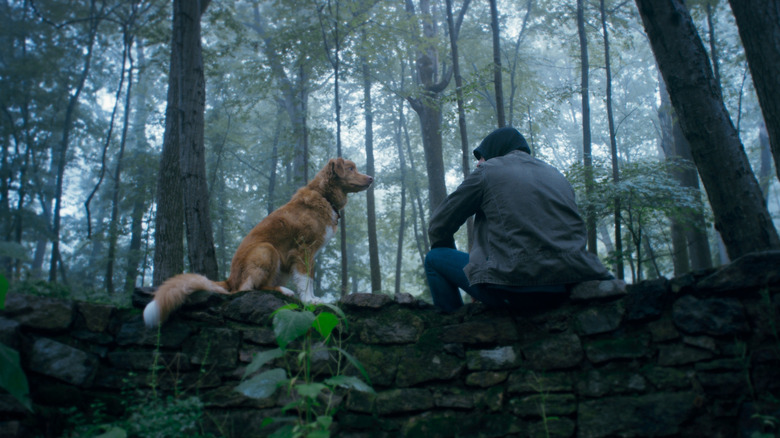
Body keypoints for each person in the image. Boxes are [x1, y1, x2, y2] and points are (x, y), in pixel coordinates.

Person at [425, 127, 612, 313]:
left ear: (495, 150)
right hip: (570, 283)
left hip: (516, 287)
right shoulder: (555, 174)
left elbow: (439, 225)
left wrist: (476, 273)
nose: (478, 163)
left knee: (434, 258)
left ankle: (452, 330)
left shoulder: (487, 172)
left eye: (481, 156)